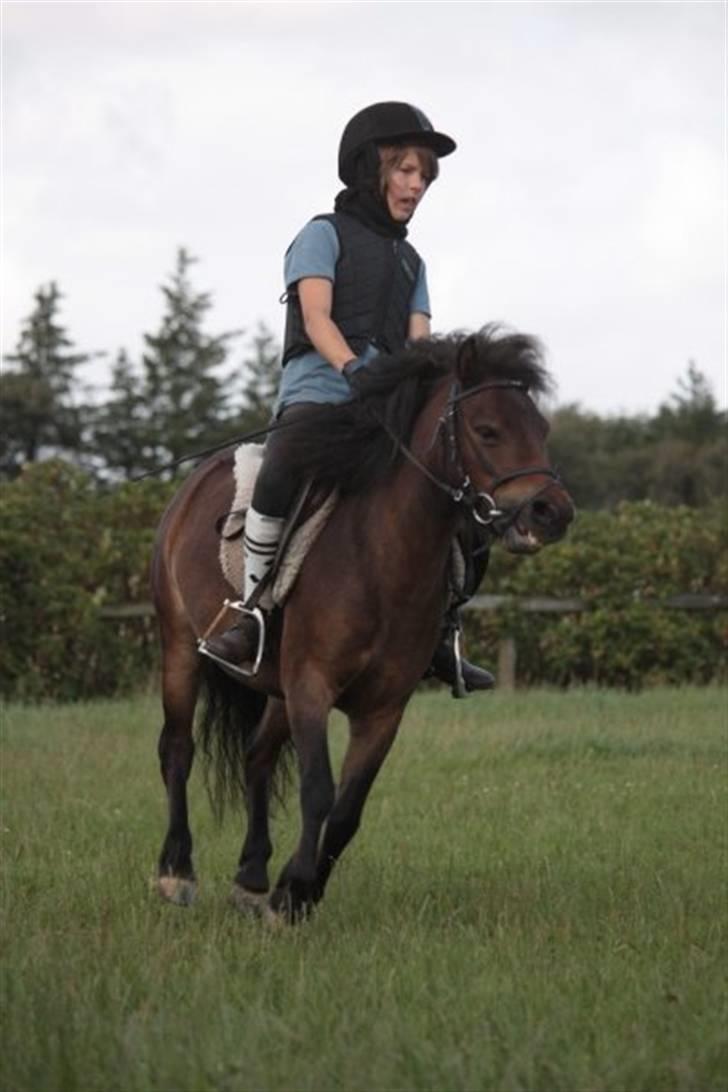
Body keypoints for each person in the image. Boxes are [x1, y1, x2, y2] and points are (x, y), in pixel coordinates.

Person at [202, 101, 494, 694]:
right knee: (281, 469)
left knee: (460, 498)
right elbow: (316, 318)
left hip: (387, 413)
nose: (417, 186)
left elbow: (420, 342)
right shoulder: (320, 236)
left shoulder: (413, 261)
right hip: (319, 396)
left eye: (424, 177)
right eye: (407, 171)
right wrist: (355, 370)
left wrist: (429, 388)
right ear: (372, 168)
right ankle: (253, 613)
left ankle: (441, 632)